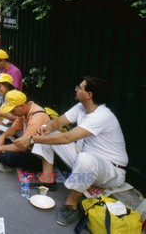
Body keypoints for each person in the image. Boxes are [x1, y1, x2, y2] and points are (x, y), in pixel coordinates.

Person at [14, 76, 128, 226]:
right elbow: (59, 121)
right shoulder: (81, 107)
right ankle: (47, 179)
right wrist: (47, 127)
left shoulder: (102, 115)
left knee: (84, 159)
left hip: (110, 170)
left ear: (89, 95)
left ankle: (71, 204)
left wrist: (31, 140)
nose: (76, 89)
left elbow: (67, 137)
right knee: (45, 135)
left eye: (80, 87)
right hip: (84, 159)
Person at [0, 90, 50, 173]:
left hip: (38, 156)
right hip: (26, 146)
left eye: (12, 110)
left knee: (10, 157)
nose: (11, 114)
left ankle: (0, 157)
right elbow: (14, 129)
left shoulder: (37, 117)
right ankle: (0, 156)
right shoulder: (24, 112)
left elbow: (23, 146)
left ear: (21, 106)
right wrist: (3, 136)